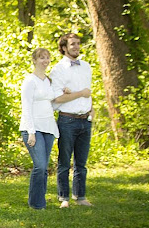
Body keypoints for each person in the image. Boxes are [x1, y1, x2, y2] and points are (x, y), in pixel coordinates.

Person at [49, 33, 94, 208]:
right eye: (72, 44)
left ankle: (80, 196)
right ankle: (64, 198)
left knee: (81, 163)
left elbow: (88, 92)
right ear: (64, 48)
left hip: (85, 119)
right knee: (64, 161)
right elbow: (57, 99)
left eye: (78, 43)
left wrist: (91, 108)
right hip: (67, 120)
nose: (76, 46)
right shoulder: (58, 70)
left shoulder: (86, 67)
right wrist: (80, 94)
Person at [19, 48, 60, 209]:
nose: (45, 61)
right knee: (40, 165)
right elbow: (26, 107)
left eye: (48, 58)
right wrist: (31, 131)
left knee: (44, 168)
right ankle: (35, 203)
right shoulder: (30, 81)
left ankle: (40, 200)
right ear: (34, 60)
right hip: (33, 129)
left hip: (48, 127)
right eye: (42, 58)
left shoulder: (49, 81)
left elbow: (53, 103)